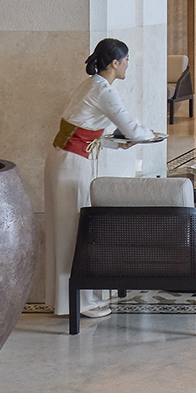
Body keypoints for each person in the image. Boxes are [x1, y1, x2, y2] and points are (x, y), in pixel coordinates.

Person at [46, 38, 162, 320]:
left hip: (64, 160)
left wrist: (114, 145)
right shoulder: (103, 90)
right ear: (115, 63)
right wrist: (154, 136)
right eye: (126, 60)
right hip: (72, 165)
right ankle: (80, 303)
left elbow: (82, 129)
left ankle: (65, 299)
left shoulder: (91, 84)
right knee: (75, 230)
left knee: (66, 229)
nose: (128, 65)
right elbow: (130, 127)